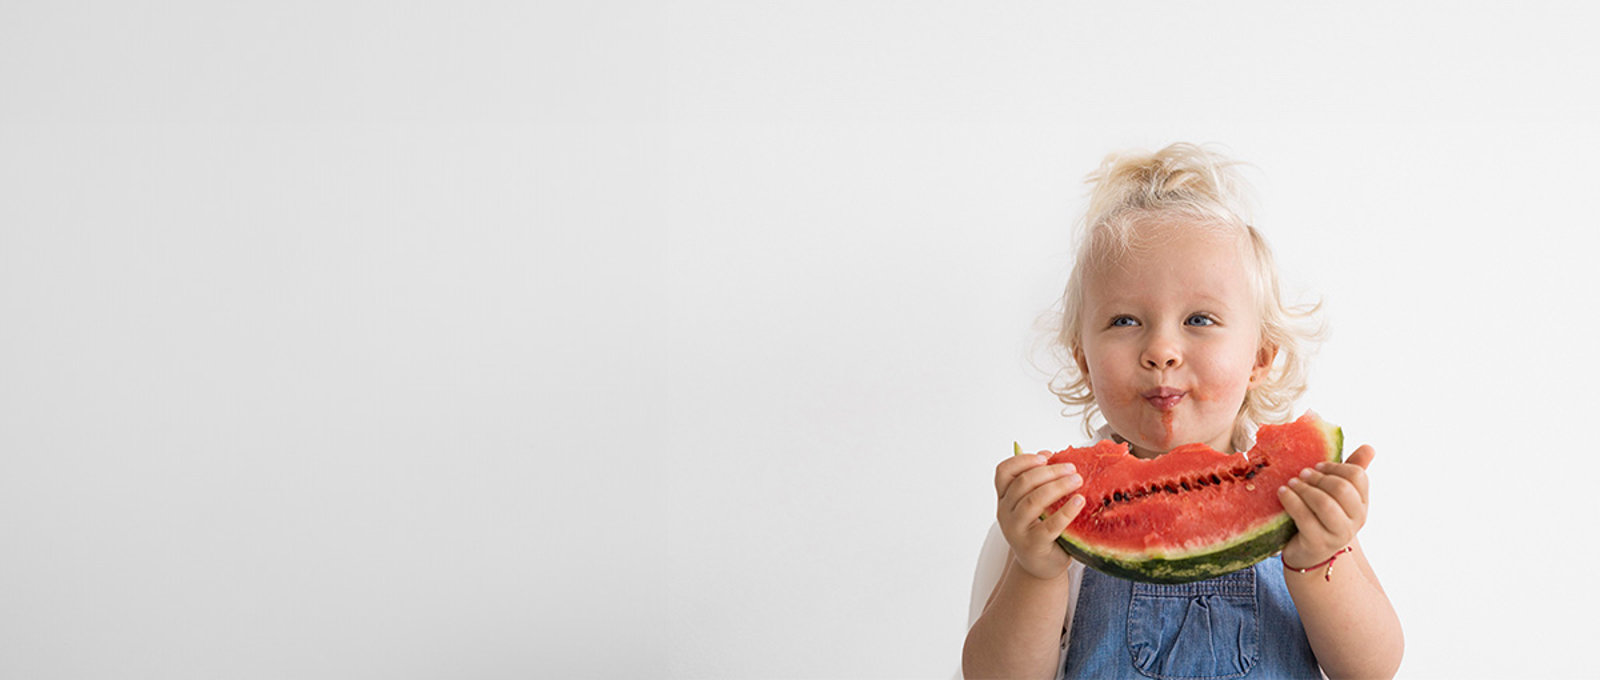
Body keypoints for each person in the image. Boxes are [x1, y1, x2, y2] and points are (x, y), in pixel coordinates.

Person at [962, 144, 1403, 679]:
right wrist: (1036, 572)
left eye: (1199, 319)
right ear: (1083, 360)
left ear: (1260, 357)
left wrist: (1318, 559)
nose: (1162, 349)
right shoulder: (1051, 511)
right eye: (1125, 321)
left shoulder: (1301, 499)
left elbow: (1371, 669)